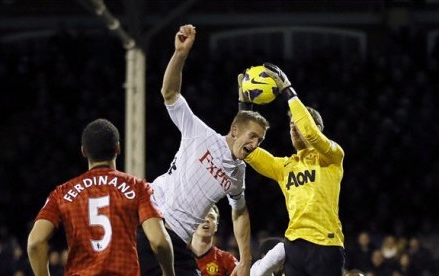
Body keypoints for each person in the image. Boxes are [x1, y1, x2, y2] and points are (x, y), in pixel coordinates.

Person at [137, 24, 269, 276]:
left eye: (260, 141)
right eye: (252, 136)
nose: (254, 145)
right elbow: (169, 93)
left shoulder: (237, 173)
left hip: (178, 243)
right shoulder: (200, 134)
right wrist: (180, 54)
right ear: (234, 130)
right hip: (153, 225)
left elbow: (240, 212)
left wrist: (245, 259)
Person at [27, 118, 175, 276]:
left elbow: (35, 242)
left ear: (84, 151)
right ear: (118, 148)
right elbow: (158, 241)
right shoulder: (138, 187)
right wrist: (168, 273)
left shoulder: (62, 193)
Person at [239, 63, 345, 275]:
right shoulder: (285, 167)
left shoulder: (332, 156)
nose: (293, 127)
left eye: (298, 123)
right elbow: (246, 150)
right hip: (294, 245)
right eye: (290, 124)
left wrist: (287, 88)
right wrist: (244, 106)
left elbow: (312, 135)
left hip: (326, 244)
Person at [191, 204, 238, 276]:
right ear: (192, 222)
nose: (206, 219)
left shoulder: (227, 260)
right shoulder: (177, 254)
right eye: (201, 215)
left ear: (216, 227)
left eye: (211, 217)